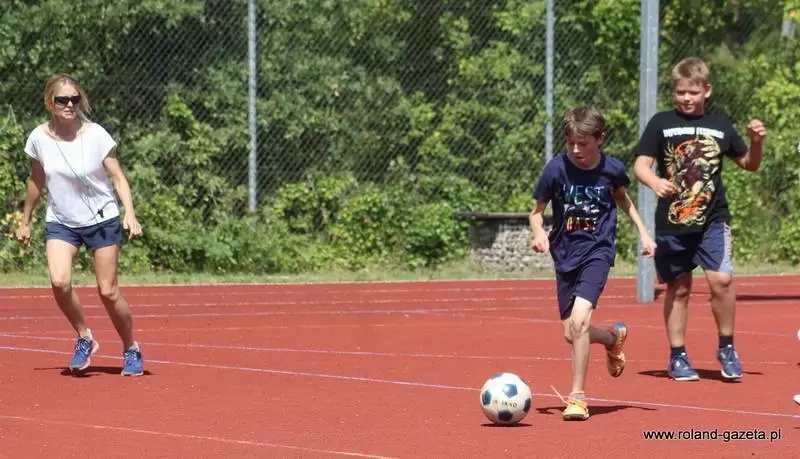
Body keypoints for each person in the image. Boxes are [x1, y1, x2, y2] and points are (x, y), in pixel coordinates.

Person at [633, 57, 766, 382]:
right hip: (673, 222)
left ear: (707, 90)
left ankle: (727, 347)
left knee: (722, 281)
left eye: (693, 92)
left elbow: (749, 164)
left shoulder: (720, 125)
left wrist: (756, 142)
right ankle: (678, 355)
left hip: (713, 220)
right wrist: (654, 182)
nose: (686, 98)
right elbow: (640, 166)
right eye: (680, 92)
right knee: (679, 289)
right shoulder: (661, 123)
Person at [530, 106, 657, 421]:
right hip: (565, 254)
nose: (576, 150)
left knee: (580, 321)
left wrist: (644, 233)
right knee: (571, 333)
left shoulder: (612, 169)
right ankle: (613, 338)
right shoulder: (555, 169)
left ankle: (578, 398)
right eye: (571, 142)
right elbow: (536, 213)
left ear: (599, 139)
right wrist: (539, 233)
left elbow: (622, 198)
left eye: (583, 143)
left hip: (598, 251)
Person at [14, 73, 145, 377]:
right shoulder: (38, 138)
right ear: (50, 103)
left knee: (107, 291)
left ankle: (131, 347)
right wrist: (25, 221)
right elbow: (36, 181)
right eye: (62, 100)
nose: (70, 104)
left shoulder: (96, 135)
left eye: (75, 99)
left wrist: (129, 213)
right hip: (62, 221)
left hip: (101, 219)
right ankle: (84, 336)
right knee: (59, 282)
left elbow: (118, 177)